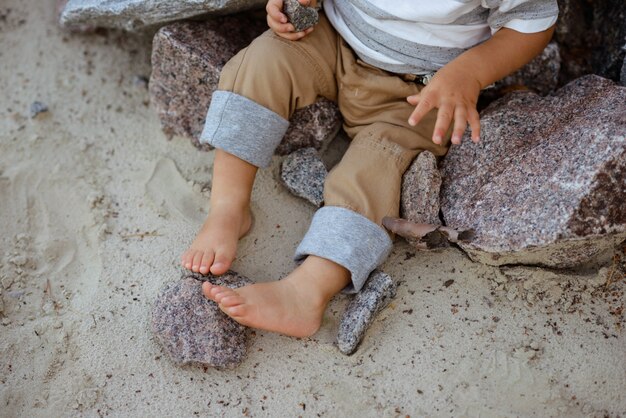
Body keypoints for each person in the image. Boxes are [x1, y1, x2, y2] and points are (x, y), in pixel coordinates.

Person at [180, 0, 558, 337]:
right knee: (261, 64)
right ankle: (228, 206)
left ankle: (308, 291)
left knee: (377, 167)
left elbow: (531, 22)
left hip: (422, 91)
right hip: (330, 39)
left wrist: (471, 73)